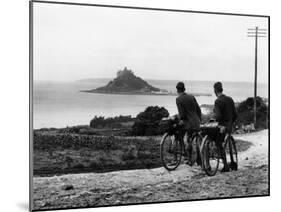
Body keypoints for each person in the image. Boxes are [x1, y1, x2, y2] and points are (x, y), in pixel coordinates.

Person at [213, 82, 238, 172]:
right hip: (229, 126)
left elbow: (219, 116)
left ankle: (226, 166)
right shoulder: (230, 99)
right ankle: (233, 162)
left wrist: (216, 120)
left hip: (222, 127)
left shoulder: (217, 101)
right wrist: (230, 123)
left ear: (215, 91)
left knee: (218, 142)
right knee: (229, 142)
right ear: (222, 89)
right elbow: (235, 114)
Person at [175, 82, 202, 165]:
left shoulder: (178, 99)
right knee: (197, 140)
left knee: (187, 139)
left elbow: (182, 115)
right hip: (197, 122)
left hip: (189, 124)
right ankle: (199, 160)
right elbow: (198, 110)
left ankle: (188, 159)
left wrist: (179, 119)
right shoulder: (191, 96)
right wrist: (199, 120)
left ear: (177, 90)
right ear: (184, 89)